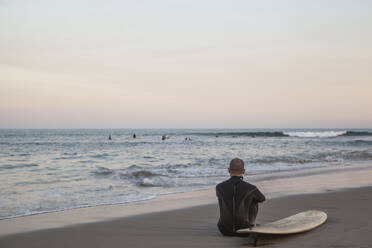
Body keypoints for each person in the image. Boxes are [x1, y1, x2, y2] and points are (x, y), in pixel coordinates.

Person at [216, 158, 265, 236]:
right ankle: (251, 224)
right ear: (243, 171)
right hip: (244, 230)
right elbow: (262, 198)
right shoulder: (251, 188)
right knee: (254, 199)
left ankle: (227, 223)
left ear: (228, 170)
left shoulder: (219, 187)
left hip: (224, 230)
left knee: (223, 197)